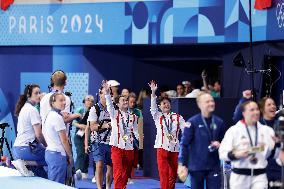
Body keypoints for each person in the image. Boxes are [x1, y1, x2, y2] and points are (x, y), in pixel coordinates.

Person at [219, 100, 280, 189]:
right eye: (252, 110)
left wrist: (277, 145)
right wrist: (236, 155)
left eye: (257, 109)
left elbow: (275, 155)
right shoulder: (234, 131)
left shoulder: (267, 131)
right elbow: (222, 154)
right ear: (243, 113)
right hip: (240, 177)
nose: (255, 112)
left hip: (260, 176)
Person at [178, 91, 226, 189]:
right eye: (207, 101)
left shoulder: (219, 122)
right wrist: (182, 164)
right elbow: (184, 144)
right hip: (196, 167)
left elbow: (226, 142)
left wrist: (221, 144)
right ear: (199, 105)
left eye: (212, 101)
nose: (211, 103)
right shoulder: (192, 122)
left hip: (214, 166)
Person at [149, 80, 188, 189]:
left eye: (167, 103)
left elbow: (185, 128)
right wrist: (153, 92)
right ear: (160, 106)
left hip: (174, 148)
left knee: (173, 174)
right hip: (162, 148)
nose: (166, 105)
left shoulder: (177, 117)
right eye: (163, 103)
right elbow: (152, 107)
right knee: (164, 173)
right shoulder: (157, 116)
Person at [102, 80, 138, 189]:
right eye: (123, 100)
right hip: (117, 147)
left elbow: (136, 131)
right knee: (117, 173)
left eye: (126, 100)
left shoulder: (133, 116)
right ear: (117, 104)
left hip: (129, 148)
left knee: (125, 174)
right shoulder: (114, 114)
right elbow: (109, 104)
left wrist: (138, 138)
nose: (126, 102)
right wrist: (108, 94)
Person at [12, 84, 47, 177]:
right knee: (54, 157)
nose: (39, 95)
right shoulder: (32, 110)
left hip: (17, 149)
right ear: (28, 95)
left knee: (42, 175)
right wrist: (47, 146)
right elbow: (39, 135)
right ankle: (25, 163)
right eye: (36, 93)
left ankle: (26, 164)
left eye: (39, 92)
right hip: (26, 149)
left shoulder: (24, 108)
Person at [85, 88, 113, 189]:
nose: (106, 96)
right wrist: (105, 126)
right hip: (97, 142)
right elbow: (91, 127)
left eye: (108, 94)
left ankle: (108, 187)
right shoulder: (94, 109)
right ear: (100, 95)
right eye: (104, 94)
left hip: (111, 142)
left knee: (111, 167)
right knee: (100, 165)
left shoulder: (113, 109)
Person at [43, 93, 73, 184]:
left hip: (50, 153)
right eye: (61, 100)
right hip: (57, 155)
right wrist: (70, 156)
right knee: (56, 185)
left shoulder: (49, 115)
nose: (64, 102)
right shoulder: (57, 117)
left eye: (64, 100)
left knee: (53, 183)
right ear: (52, 103)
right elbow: (64, 140)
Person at [73, 95, 94, 180]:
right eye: (88, 100)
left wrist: (89, 127)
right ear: (84, 101)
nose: (89, 102)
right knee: (80, 153)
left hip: (89, 136)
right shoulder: (80, 110)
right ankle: (78, 171)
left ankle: (84, 171)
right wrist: (81, 125)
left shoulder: (94, 112)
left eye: (92, 101)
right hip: (79, 135)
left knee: (86, 154)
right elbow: (74, 122)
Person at [128, 92, 143, 183]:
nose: (133, 104)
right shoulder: (123, 110)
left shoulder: (138, 112)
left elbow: (140, 125)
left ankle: (130, 177)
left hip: (135, 137)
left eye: (134, 102)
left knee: (133, 159)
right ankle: (126, 177)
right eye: (131, 102)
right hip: (125, 137)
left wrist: (139, 137)